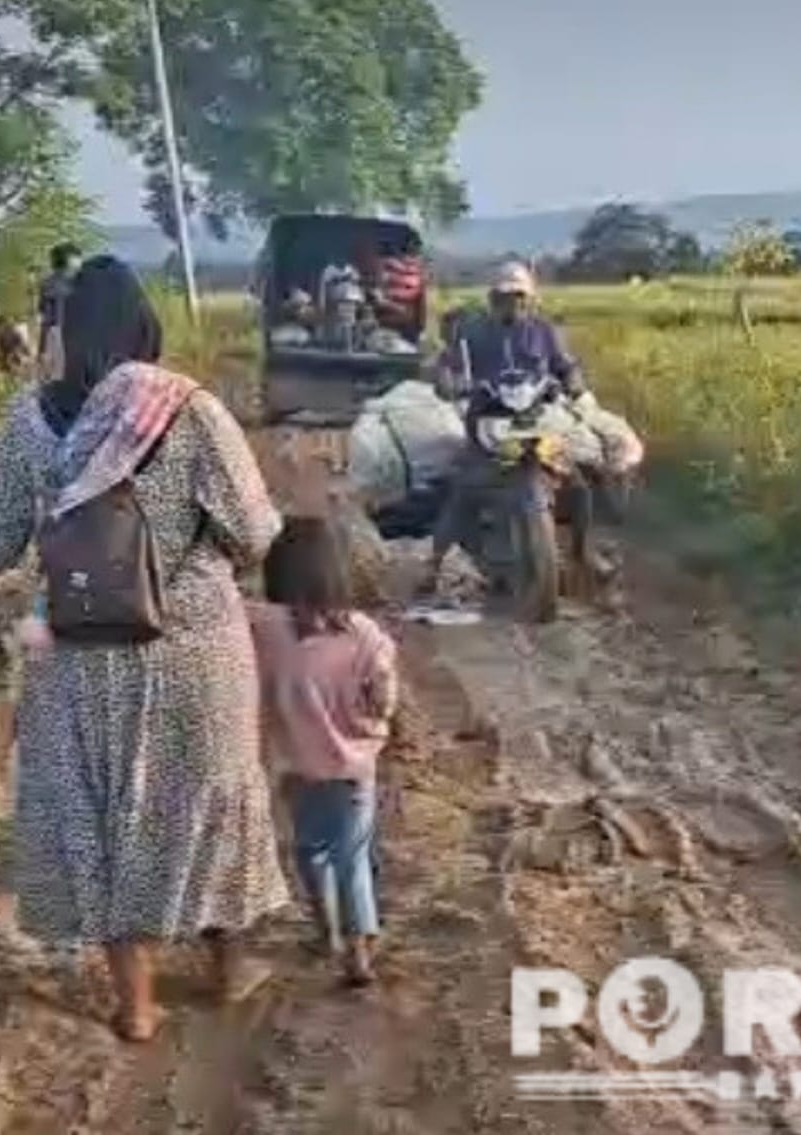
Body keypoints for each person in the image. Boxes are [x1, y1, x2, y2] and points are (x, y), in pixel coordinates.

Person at [0, 255, 289, 1042]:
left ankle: (137, 1004)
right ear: (143, 326)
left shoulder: (25, 424)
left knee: (103, 813)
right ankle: (229, 969)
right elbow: (255, 535)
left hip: (77, 649)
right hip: (193, 646)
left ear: (61, 331)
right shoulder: (188, 409)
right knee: (208, 799)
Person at [248, 517, 397, 987]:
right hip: (354, 770)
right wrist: (374, 723)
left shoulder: (267, 627)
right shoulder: (366, 634)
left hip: (296, 768)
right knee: (352, 855)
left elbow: (225, 608)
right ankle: (359, 950)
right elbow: (385, 699)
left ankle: (326, 933)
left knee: (310, 852)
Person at [422, 263, 603, 591]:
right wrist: (449, 383)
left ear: (530, 298)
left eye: (519, 297)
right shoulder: (472, 332)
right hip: (489, 423)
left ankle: (583, 553)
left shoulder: (544, 331)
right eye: (505, 297)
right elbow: (449, 365)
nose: (513, 304)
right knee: (465, 489)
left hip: (537, 423)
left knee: (576, 483)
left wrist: (574, 384)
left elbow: (566, 366)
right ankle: (433, 565)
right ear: (493, 298)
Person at [35, 242, 81, 378]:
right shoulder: (79, 283)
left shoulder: (47, 283)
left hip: (54, 336)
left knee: (53, 381)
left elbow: (45, 318)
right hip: (72, 336)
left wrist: (41, 349)